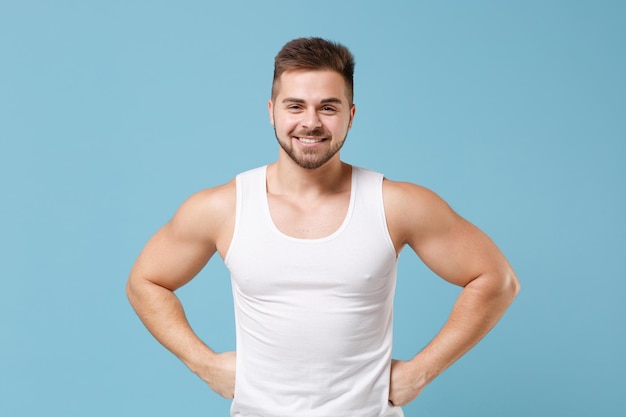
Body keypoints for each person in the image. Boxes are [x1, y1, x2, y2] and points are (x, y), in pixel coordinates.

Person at [126, 37, 520, 417]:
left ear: (350, 115)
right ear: (271, 111)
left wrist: (420, 373)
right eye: (295, 105)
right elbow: (145, 282)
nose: (310, 123)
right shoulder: (224, 207)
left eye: (328, 107)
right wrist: (204, 364)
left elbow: (496, 280)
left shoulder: (394, 204)